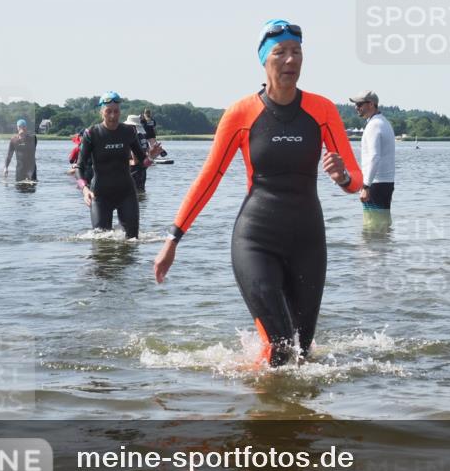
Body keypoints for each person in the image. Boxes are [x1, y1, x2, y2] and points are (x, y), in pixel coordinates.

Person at [153, 19, 363, 367]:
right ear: (264, 61)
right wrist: (173, 238)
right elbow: (209, 178)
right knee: (281, 347)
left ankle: (276, 404)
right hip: (256, 239)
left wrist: (341, 176)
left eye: (296, 52)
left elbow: (356, 181)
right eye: (280, 53)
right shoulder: (241, 113)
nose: (290, 60)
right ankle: (261, 412)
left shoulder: (322, 110)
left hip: (308, 242)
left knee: (303, 352)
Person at [76, 92, 152, 238]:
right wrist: (84, 189)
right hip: (100, 195)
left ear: (120, 112)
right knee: (101, 242)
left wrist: (151, 157)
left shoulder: (128, 131)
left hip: (126, 193)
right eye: (108, 111)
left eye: (116, 111)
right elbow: (79, 167)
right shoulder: (92, 133)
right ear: (101, 112)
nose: (112, 115)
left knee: (132, 240)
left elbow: (143, 162)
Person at [350, 89, 396, 224]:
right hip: (384, 183)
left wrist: (365, 186)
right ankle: (384, 245)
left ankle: (374, 246)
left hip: (375, 184)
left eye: (359, 104)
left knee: (373, 226)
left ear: (371, 104)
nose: (356, 108)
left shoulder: (374, 125)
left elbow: (374, 156)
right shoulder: (383, 122)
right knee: (382, 224)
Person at [125, 114, 160, 191]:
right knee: (141, 193)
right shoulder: (142, 137)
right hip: (143, 170)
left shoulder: (132, 138)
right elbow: (148, 152)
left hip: (133, 172)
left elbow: (135, 160)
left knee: (135, 194)